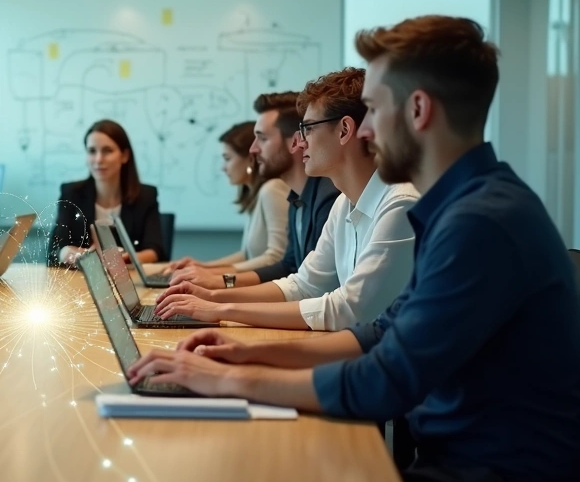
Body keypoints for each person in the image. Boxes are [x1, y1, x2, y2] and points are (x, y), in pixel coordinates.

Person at [128, 15, 580, 482]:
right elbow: (381, 334)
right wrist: (241, 354)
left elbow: (383, 381)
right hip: (462, 471)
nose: (366, 130)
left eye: (373, 109)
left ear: (418, 110)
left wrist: (228, 381)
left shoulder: (480, 222)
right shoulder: (465, 206)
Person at [156, 67, 419, 331]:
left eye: (308, 129)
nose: (300, 143)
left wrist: (221, 309)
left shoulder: (401, 204)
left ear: (344, 130)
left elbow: (348, 309)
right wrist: (212, 297)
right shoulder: (343, 204)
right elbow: (302, 285)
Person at [170, 93, 340, 291]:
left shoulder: (328, 199)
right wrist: (217, 284)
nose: (253, 149)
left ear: (295, 142)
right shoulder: (296, 199)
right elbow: (288, 266)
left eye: (263, 139)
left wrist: (218, 293)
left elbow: (315, 290)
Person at [167, 120, 289, 277]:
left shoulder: (272, 189)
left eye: (227, 158)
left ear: (250, 159)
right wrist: (202, 266)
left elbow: (276, 258)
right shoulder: (255, 194)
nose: (223, 168)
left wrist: (212, 273)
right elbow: (247, 254)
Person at [49, 119, 165, 266]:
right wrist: (69, 254)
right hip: (84, 277)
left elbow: (155, 250)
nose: (98, 159)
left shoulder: (146, 196)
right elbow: (56, 248)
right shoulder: (71, 193)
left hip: (130, 277)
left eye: (107, 151)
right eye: (92, 151)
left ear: (124, 156)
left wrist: (124, 259)